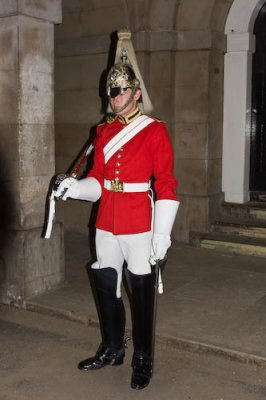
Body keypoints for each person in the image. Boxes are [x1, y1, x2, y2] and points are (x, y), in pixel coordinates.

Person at [54, 29, 179, 390]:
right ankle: (112, 349)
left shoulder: (154, 131)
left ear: (136, 93)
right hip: (106, 221)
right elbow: (99, 181)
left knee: (140, 292)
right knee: (106, 285)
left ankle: (143, 358)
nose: (115, 96)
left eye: (122, 90)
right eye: (111, 91)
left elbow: (166, 185)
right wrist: (76, 187)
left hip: (139, 222)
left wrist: (162, 233)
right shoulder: (103, 133)